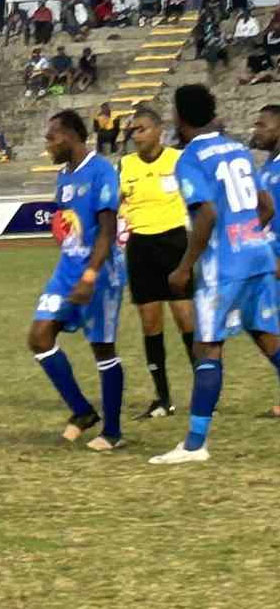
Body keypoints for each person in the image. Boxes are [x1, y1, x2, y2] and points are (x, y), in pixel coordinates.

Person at [149, 86, 280, 465]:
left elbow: (206, 214)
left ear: (181, 117)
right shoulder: (236, 148)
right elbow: (266, 206)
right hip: (258, 257)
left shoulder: (190, 158)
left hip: (223, 267)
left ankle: (194, 445)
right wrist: (249, 236)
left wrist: (184, 266)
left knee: (207, 348)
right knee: (268, 339)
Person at [28, 109, 125, 450]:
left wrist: (91, 274)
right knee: (40, 336)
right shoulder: (64, 176)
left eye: (51, 138)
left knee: (103, 348)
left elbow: (108, 229)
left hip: (100, 271)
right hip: (67, 269)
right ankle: (83, 412)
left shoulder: (102, 171)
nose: (48, 145)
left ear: (70, 136)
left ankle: (112, 432)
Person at [117, 106, 197, 420]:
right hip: (140, 247)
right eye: (133, 131)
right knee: (150, 324)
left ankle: (205, 392)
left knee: (185, 319)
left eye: (142, 129)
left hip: (174, 244)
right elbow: (116, 202)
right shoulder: (125, 164)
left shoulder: (179, 160)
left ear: (159, 130)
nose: (136, 136)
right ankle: (163, 398)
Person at [252, 105, 280, 416]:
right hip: (268, 257)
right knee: (264, 326)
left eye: (263, 125)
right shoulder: (269, 165)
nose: (256, 131)